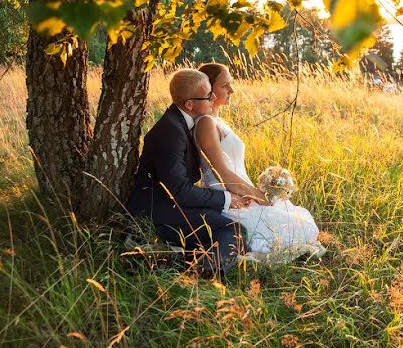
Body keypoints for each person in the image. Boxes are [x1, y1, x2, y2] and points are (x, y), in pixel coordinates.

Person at [194, 63, 325, 263]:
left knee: (300, 221)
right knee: (296, 228)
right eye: (225, 85)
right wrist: (260, 197)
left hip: (243, 195)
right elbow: (223, 174)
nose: (232, 90)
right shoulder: (205, 123)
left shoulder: (218, 122)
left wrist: (258, 194)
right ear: (209, 90)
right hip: (228, 201)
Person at [126, 69, 249, 278]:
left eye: (212, 92)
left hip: (171, 202)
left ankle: (162, 260)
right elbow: (180, 191)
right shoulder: (170, 132)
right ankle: (203, 273)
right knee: (234, 230)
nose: (213, 98)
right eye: (207, 96)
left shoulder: (183, 121)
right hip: (155, 209)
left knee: (221, 226)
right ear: (189, 104)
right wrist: (227, 198)